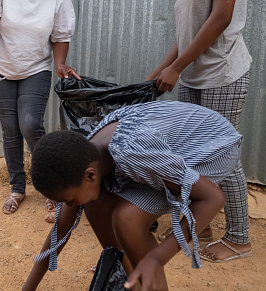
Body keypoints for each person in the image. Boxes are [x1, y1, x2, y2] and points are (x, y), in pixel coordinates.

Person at [23, 101, 246, 291]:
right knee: (95, 203)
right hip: (167, 148)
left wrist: (157, 258)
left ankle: (149, 279)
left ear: (90, 175)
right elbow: (58, 232)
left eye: (69, 200)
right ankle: (133, 281)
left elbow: (213, 198)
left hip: (213, 147)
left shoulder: (134, 154)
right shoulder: (86, 158)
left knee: (127, 218)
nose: (67, 206)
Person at [145, 0, 252, 262]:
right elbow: (187, 36)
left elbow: (221, 18)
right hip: (194, 77)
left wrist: (176, 68)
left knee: (224, 155)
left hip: (221, 74)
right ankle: (199, 225)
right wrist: (154, 76)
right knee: (192, 155)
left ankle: (239, 238)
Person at [0, 0, 80, 216]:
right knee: (10, 128)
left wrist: (60, 63)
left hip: (36, 69)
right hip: (0, 68)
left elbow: (60, 36)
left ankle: (52, 186)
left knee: (31, 124)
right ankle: (17, 188)